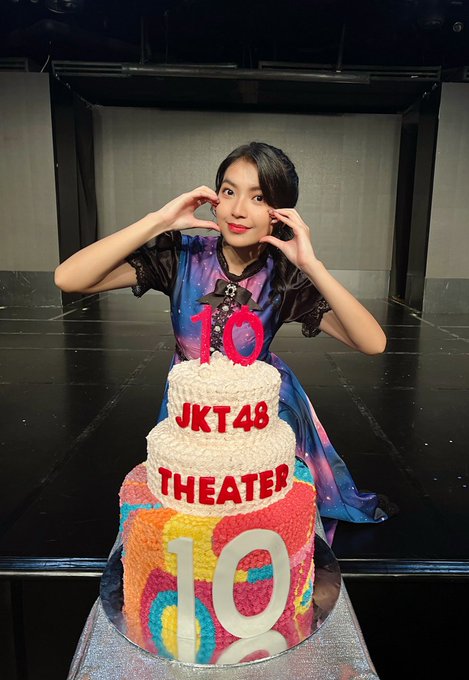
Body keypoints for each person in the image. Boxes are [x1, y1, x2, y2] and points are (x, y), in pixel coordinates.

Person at [55, 141, 397, 545]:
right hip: (193, 409)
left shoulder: (282, 278)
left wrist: (312, 266)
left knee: (260, 512)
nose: (238, 209)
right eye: (229, 191)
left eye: (259, 197)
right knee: (191, 513)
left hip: (261, 414)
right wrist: (158, 221)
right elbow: (68, 278)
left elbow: (373, 342)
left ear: (279, 214)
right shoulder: (181, 256)